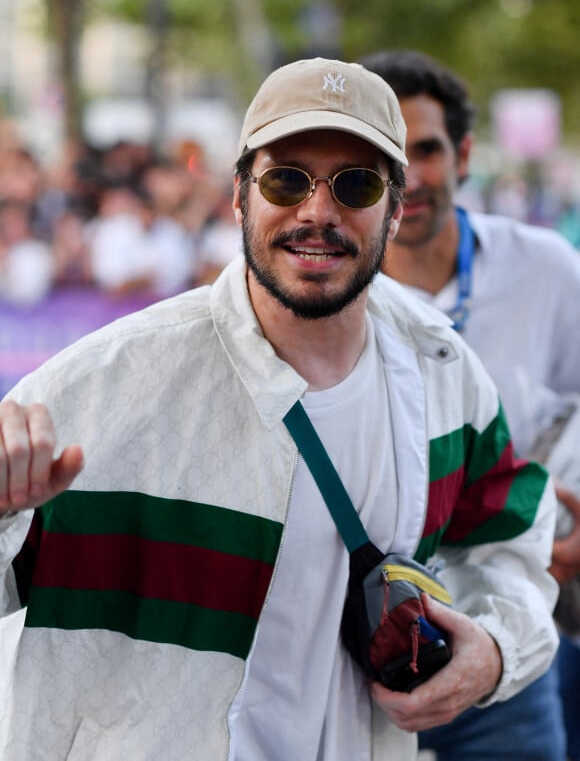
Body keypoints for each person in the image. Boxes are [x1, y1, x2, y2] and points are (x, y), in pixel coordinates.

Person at [0, 58, 559, 761]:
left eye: (354, 184)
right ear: (239, 196)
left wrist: (496, 653)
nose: (317, 212)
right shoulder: (101, 388)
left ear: (394, 206)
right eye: (285, 179)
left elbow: (513, 548)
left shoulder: (443, 375)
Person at [359, 47, 580, 761]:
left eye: (426, 149)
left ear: (464, 152)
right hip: (360, 647)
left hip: (504, 628)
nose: (411, 177)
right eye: (390, 154)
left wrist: (569, 513)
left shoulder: (544, 268)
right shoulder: (322, 285)